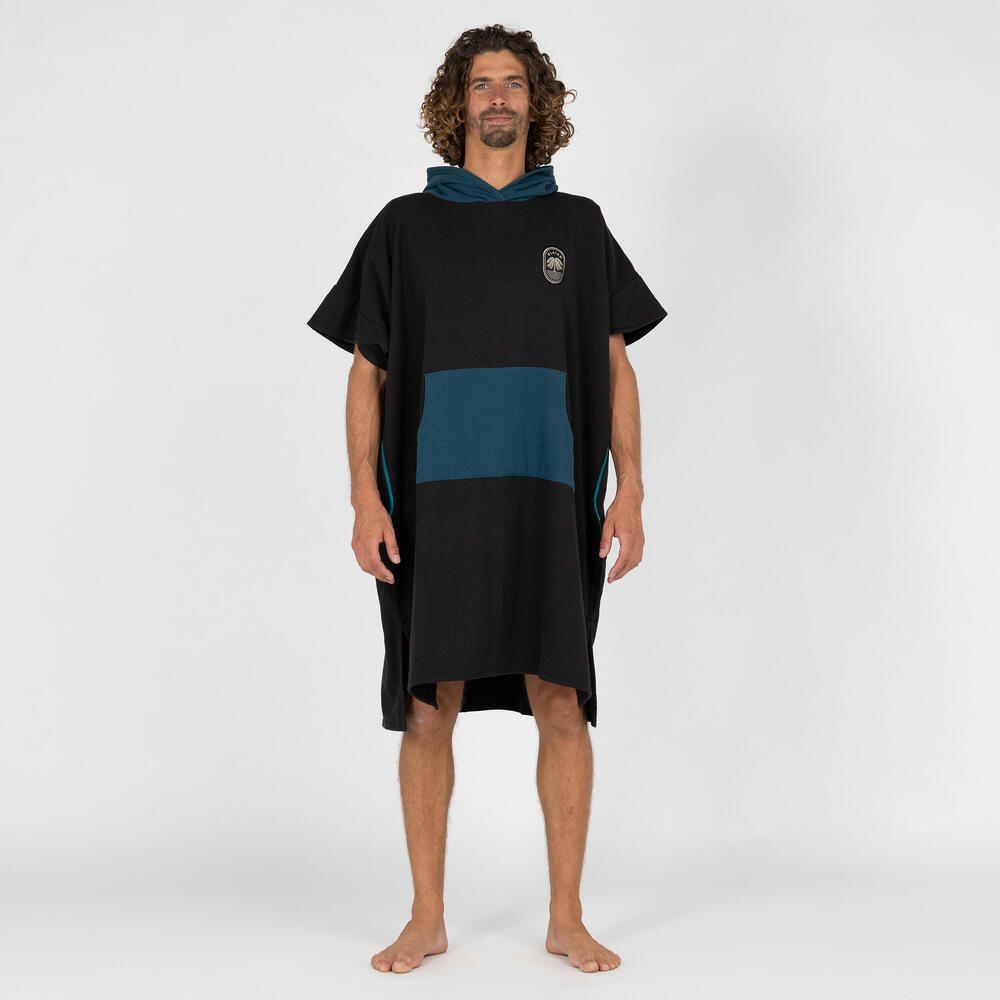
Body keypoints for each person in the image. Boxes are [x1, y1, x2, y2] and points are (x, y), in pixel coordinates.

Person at [306, 25, 667, 975]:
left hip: (551, 498)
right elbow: (366, 372)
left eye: (512, 83)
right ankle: (426, 917)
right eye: (480, 84)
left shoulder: (578, 226)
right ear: (455, 104)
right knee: (430, 707)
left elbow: (614, 365)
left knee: (563, 701)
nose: (497, 97)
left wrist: (631, 489)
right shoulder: (404, 226)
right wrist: (363, 499)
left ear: (535, 103)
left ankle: (566, 917)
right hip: (432, 504)